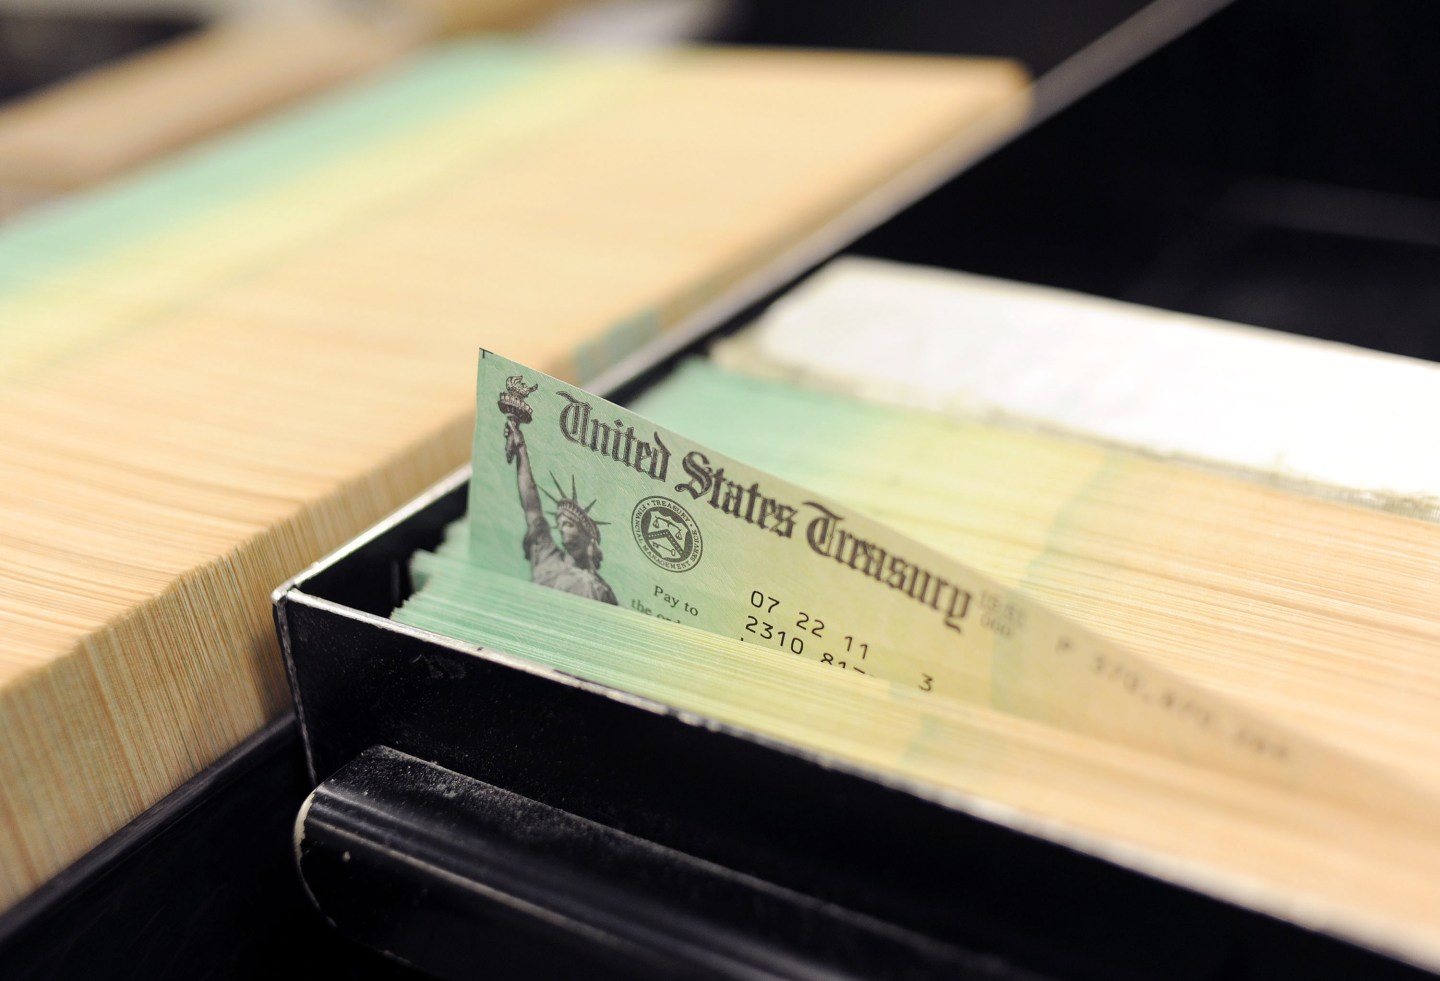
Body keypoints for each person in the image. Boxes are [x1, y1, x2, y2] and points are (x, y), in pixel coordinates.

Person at [504, 417, 617, 604]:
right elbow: (532, 507)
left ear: (587, 535)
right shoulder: (547, 558)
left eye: (569, 523)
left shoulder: (598, 590)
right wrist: (521, 451)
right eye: (560, 524)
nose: (562, 528)